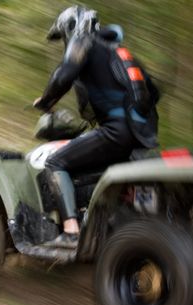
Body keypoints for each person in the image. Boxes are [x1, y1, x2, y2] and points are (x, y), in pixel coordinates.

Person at [33, 6, 160, 248]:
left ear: (72, 28)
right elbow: (154, 93)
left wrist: (46, 101)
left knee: (55, 163)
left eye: (63, 37)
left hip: (116, 132)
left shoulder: (84, 42)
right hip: (142, 137)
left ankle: (71, 231)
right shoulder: (122, 53)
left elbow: (64, 74)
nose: (65, 43)